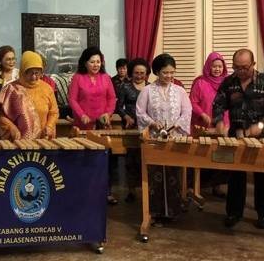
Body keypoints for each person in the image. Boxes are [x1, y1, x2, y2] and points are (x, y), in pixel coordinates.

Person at [213, 49, 264, 229]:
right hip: (237, 134)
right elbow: (218, 104)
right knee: (235, 175)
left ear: (253, 64)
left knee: (263, 175)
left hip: (262, 135)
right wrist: (219, 122)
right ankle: (234, 212)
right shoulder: (229, 82)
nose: (241, 71)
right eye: (237, 67)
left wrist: (261, 125)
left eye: (245, 67)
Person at [136, 53, 192, 220]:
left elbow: (187, 111)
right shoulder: (147, 91)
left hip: (174, 138)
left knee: (174, 174)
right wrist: (152, 123)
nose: (169, 76)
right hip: (154, 139)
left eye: (172, 72)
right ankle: (156, 212)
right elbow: (140, 112)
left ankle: (173, 211)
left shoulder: (180, 91)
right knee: (155, 176)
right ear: (156, 72)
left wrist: (178, 124)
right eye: (165, 73)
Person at [68, 46, 117, 203]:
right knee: (84, 159)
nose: (96, 65)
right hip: (83, 125)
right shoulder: (78, 77)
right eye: (92, 62)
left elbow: (111, 98)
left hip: (102, 125)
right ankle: (83, 191)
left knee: (104, 160)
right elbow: (72, 99)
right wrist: (81, 115)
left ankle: (106, 192)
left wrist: (108, 114)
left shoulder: (106, 77)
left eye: (98, 62)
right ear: (85, 63)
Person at [0, 51, 59, 140]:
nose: (34, 77)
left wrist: (49, 126)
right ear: (23, 71)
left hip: (44, 140)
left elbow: (54, 112)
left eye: (37, 73)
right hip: (19, 143)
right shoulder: (11, 89)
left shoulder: (47, 89)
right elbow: (0, 115)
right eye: (30, 73)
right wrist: (12, 128)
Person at [189, 52, 230, 197]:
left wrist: (228, 124)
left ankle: (217, 186)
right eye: (214, 66)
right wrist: (202, 114)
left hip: (223, 126)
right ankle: (197, 187)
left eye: (220, 66)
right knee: (202, 156)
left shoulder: (229, 82)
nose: (217, 69)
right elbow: (192, 102)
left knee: (220, 157)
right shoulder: (200, 82)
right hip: (203, 125)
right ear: (208, 67)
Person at [114, 58, 149, 202]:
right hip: (130, 126)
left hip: (147, 127)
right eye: (136, 73)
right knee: (131, 159)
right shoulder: (124, 87)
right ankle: (131, 190)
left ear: (147, 73)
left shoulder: (151, 87)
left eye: (142, 73)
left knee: (146, 158)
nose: (139, 76)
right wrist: (126, 117)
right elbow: (118, 107)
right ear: (131, 72)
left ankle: (147, 189)